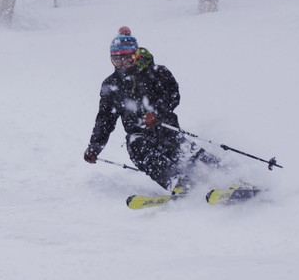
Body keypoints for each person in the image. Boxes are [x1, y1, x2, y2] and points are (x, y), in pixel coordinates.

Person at [83, 27, 217, 192]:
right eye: (116, 60)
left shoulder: (158, 72)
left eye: (127, 59)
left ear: (136, 55)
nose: (122, 64)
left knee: (183, 152)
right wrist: (94, 147)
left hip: (165, 127)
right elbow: (105, 119)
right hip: (138, 133)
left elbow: (173, 96)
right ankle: (179, 183)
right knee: (136, 145)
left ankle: (228, 173)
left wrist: (156, 113)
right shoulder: (111, 85)